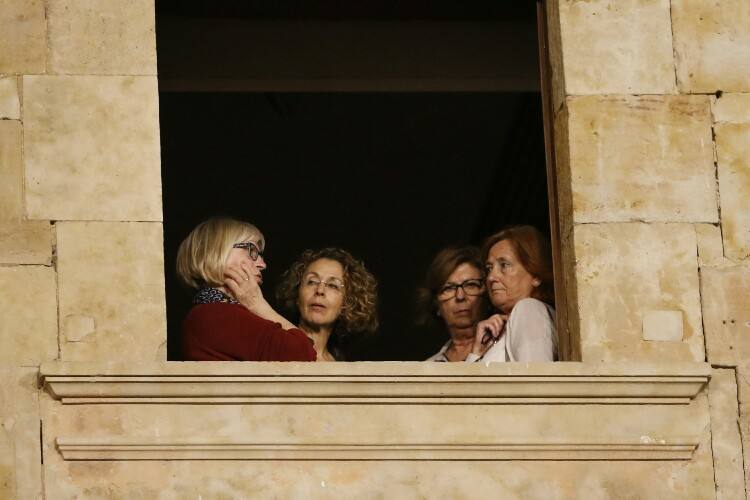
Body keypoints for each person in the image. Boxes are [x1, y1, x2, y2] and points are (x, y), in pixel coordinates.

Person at [176, 216, 316, 361]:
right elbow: (302, 354)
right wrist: (257, 304)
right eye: (252, 250)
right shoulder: (212, 314)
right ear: (216, 251)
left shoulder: (212, 311)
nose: (262, 264)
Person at [467, 225, 557, 363]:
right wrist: (476, 353)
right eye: (489, 268)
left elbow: (536, 380)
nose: (491, 277)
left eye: (504, 265)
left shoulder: (530, 309)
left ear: (536, 276)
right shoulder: (494, 334)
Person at [276, 248, 378, 361]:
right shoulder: (274, 347)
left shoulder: (341, 368)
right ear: (296, 294)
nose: (320, 290)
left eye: (332, 285)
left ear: (347, 303)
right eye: (312, 282)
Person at [418, 247, 488, 362]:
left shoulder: (503, 348)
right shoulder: (428, 369)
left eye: (471, 285)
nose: (460, 296)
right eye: (448, 288)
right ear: (436, 304)